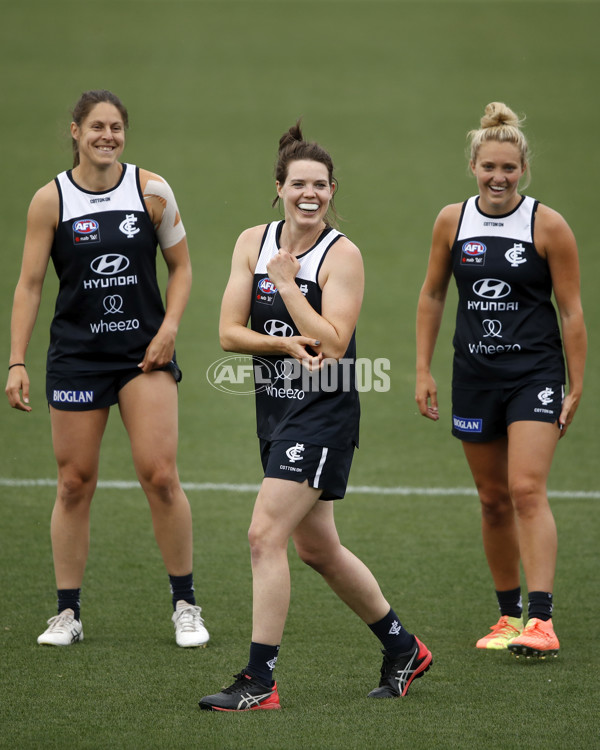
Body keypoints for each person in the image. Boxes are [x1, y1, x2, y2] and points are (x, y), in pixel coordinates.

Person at [199, 121, 432, 712]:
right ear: (279, 186)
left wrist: (287, 284)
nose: (310, 193)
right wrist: (278, 346)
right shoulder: (251, 240)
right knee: (318, 549)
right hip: (275, 412)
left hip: (323, 413)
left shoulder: (342, 254)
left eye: (321, 186)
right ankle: (403, 647)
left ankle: (260, 680)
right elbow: (228, 333)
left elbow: (331, 342)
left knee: (263, 536)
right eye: (299, 183)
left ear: (332, 191)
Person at [5, 89, 209, 649]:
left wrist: (169, 328)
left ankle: (185, 604)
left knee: (160, 475)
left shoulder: (152, 190)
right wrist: (17, 360)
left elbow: (183, 268)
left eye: (116, 127)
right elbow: (28, 286)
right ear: (75, 131)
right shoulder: (50, 201)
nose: (107, 136)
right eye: (97, 126)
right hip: (76, 359)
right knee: (73, 484)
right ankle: (66, 613)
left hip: (143, 356)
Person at [416, 102, 586, 658]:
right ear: (473, 166)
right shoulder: (452, 220)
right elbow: (434, 294)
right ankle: (507, 616)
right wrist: (423, 368)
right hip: (474, 375)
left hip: (533, 374)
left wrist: (575, 384)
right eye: (489, 167)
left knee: (526, 490)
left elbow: (572, 312)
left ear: (523, 169)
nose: (498, 177)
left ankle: (542, 620)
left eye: (509, 168)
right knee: (492, 499)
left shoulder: (547, 224)